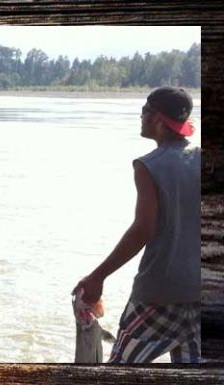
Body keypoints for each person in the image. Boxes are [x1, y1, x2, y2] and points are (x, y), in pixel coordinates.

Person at [73, 86, 201, 363]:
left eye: (145, 110)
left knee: (118, 372)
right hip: (203, 294)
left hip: (160, 294)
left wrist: (98, 276)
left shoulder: (149, 165)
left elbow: (143, 228)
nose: (140, 116)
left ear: (158, 119)